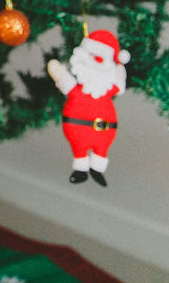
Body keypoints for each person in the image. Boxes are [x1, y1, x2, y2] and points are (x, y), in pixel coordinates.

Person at [46, 29, 129, 187]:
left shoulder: (106, 90)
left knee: (101, 149)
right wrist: (58, 72)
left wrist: (120, 71)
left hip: (103, 133)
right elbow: (65, 82)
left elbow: (118, 83)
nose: (97, 59)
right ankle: (81, 170)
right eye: (93, 56)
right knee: (79, 149)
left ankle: (97, 168)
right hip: (78, 129)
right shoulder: (77, 91)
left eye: (101, 58)